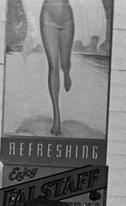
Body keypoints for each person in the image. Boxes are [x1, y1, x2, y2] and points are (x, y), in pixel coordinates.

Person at [40, 0, 75, 135]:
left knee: (64, 63)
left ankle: (66, 72)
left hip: (67, 19)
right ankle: (56, 115)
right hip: (48, 17)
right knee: (53, 66)